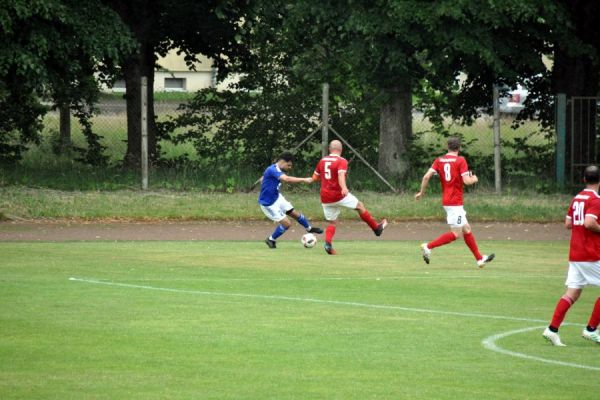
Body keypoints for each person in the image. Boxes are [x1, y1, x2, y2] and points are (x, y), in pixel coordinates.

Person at [542, 165, 600, 346]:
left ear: (584, 179)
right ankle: (591, 329)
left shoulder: (577, 198)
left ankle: (552, 330)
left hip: (576, 253)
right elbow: (589, 222)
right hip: (590, 253)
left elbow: (568, 223)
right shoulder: (595, 200)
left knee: (572, 293)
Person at [414, 137, 494, 267]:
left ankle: (479, 259)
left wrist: (421, 193)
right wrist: (474, 178)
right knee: (456, 234)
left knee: (466, 229)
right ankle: (428, 246)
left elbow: (426, 176)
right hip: (455, 202)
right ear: (459, 148)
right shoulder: (460, 160)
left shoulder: (439, 160)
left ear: (448, 147)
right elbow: (467, 181)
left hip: (447, 200)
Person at [311, 140, 387, 255]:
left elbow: (315, 177)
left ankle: (328, 244)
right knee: (360, 206)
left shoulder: (322, 161)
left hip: (325, 197)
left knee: (332, 223)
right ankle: (376, 229)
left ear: (329, 149)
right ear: (341, 150)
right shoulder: (342, 161)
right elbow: (341, 175)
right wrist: (344, 188)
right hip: (338, 194)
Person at [259, 151, 323, 249]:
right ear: (283, 162)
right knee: (287, 224)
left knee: (294, 213)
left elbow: (268, 178)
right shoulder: (272, 169)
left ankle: (309, 229)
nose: (290, 168)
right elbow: (287, 179)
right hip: (268, 203)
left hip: (277, 197)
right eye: (289, 165)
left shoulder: (274, 169)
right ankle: (271, 239)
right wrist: (304, 180)